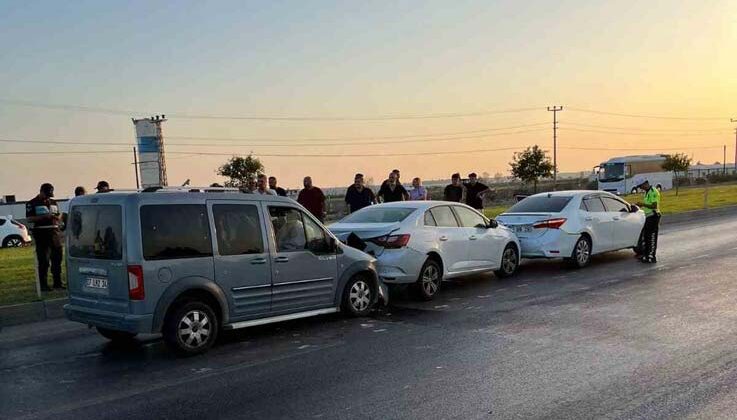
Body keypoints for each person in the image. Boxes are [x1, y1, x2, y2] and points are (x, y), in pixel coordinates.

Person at [26, 183, 64, 291]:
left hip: (55, 234)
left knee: (57, 260)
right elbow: (29, 218)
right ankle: (43, 285)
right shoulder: (32, 203)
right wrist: (44, 216)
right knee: (44, 261)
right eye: (47, 194)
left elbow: (58, 214)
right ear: (41, 191)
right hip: (42, 234)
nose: (48, 197)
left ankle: (58, 283)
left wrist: (57, 218)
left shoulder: (53, 202)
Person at [633, 175, 661, 263]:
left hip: (653, 216)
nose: (641, 188)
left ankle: (651, 256)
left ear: (645, 183)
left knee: (652, 236)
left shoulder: (653, 191)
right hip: (647, 216)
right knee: (646, 236)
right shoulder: (646, 192)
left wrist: (642, 204)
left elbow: (654, 205)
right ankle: (645, 254)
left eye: (641, 186)